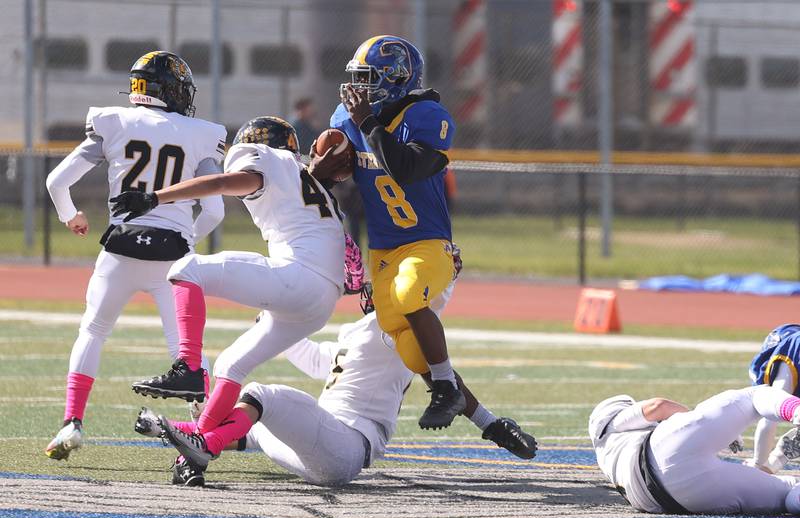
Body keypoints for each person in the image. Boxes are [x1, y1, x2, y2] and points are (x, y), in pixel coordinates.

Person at [136, 258, 538, 487]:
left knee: (261, 394)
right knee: (252, 419)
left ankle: (203, 449)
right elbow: (315, 360)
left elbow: (441, 376)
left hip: (345, 447)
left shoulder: (393, 328)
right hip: (322, 449)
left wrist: (490, 423)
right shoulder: (362, 331)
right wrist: (276, 317)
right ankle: (183, 436)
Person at [110, 116, 353, 465]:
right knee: (230, 364)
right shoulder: (302, 175)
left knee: (185, 269)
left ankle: (189, 368)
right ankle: (201, 446)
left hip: (299, 276)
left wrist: (156, 198)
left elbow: (228, 182)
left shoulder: (267, 159)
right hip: (320, 300)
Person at [43, 50, 225, 460]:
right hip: (172, 257)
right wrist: (187, 239)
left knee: (92, 331)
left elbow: (57, 181)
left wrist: (71, 216)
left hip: (120, 248)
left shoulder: (114, 122)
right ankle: (206, 427)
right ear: (172, 91)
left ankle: (71, 422)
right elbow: (214, 209)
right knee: (186, 349)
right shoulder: (199, 133)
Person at [331, 35, 465, 430]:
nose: (358, 90)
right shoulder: (345, 119)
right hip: (384, 250)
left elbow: (405, 168)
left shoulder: (426, 115)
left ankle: (444, 387)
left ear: (396, 78)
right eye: (356, 78)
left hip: (428, 242)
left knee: (409, 295)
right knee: (401, 337)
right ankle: (460, 398)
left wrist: (367, 122)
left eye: (368, 78)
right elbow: (340, 177)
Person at [589, 385, 800, 515]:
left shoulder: (608, 460)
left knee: (787, 493)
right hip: (660, 451)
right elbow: (657, 407)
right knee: (754, 396)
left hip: (676, 501)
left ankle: (781, 469)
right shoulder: (610, 424)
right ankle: (797, 411)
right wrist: (697, 422)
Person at [748, 323, 800, 473]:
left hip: (793, 351)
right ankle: (768, 464)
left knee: (773, 408)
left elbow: (770, 415)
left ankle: (762, 465)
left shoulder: (792, 347)